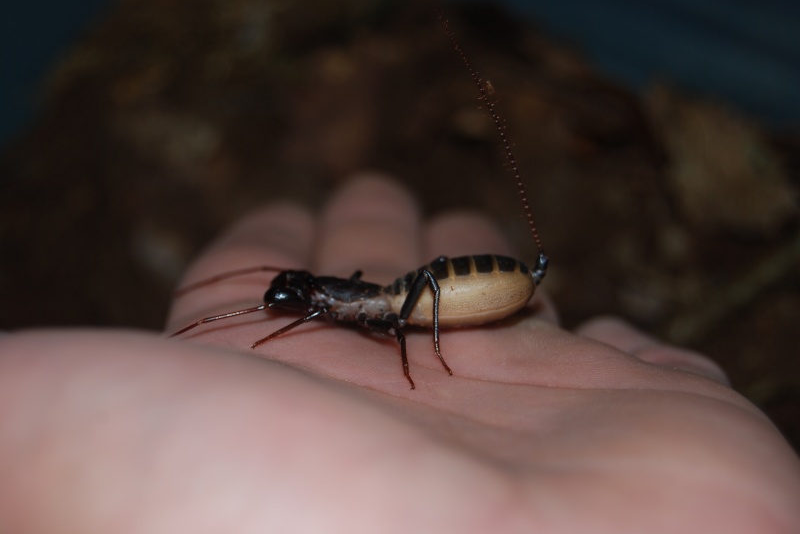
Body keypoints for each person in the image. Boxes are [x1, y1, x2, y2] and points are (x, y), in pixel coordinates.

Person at [1, 174, 798, 533]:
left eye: (293, 310)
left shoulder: (359, 307)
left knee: (393, 302)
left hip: (422, 296)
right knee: (383, 298)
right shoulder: (328, 301)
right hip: (406, 296)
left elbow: (362, 309)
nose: (295, 315)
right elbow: (321, 302)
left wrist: (421, 359)